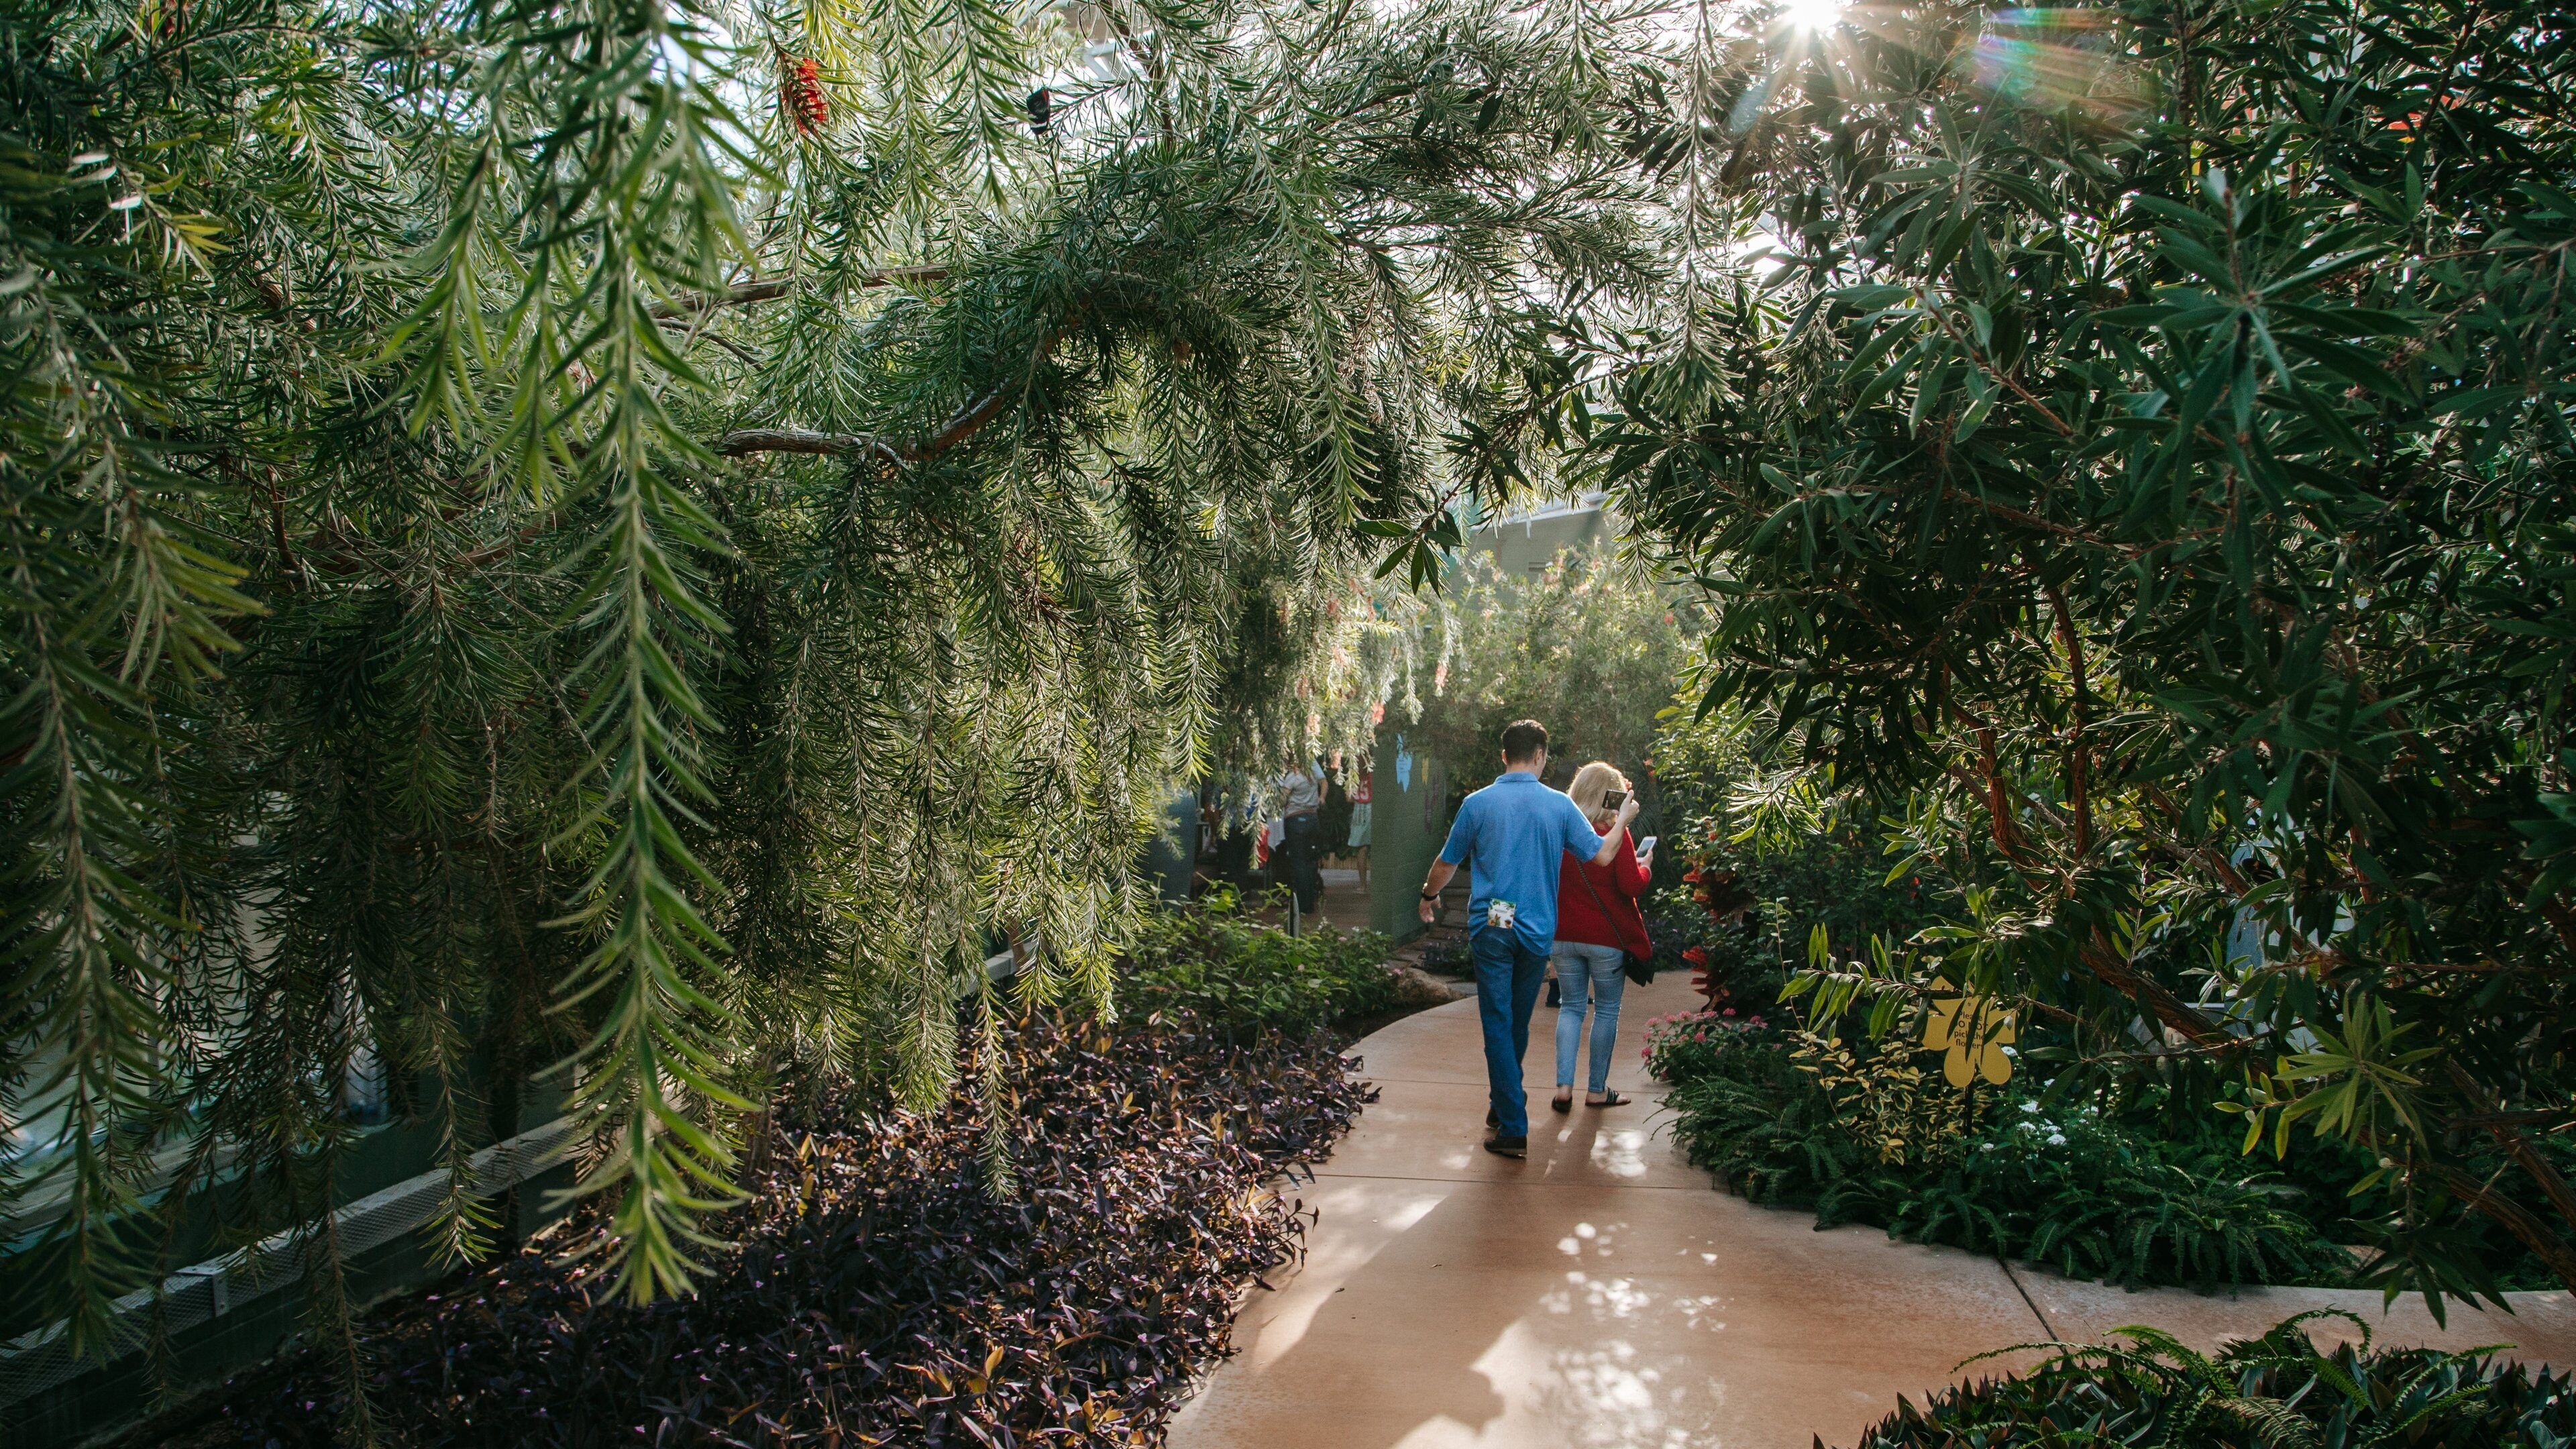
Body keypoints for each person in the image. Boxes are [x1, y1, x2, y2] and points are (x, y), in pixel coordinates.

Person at [1418, 720, 1638, 1158]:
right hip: (1537, 927)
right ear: (1540, 755)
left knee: (1500, 1023)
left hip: (1499, 919)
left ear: (1504, 756)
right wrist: (1624, 819)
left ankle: (1511, 1122)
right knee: (1514, 1022)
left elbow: (1447, 862)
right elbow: (1603, 855)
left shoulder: (1478, 804)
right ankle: (1504, 1109)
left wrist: (1428, 896)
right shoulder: (1558, 806)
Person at [1550, 762, 1654, 1112]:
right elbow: (1631, 885)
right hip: (1605, 939)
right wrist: (1646, 866)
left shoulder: (1561, 831)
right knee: (1607, 1010)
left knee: (1571, 1007)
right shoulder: (1613, 832)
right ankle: (1596, 1090)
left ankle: (1563, 1088)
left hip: (1563, 935)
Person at [1277, 758, 1325, 917]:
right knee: (1311, 862)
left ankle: (1303, 905)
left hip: (1296, 820)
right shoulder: (1311, 771)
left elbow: (1282, 800)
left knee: (1299, 863)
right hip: (1312, 819)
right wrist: (1321, 798)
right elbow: (1324, 782)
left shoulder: (1293, 777)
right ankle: (1311, 900)